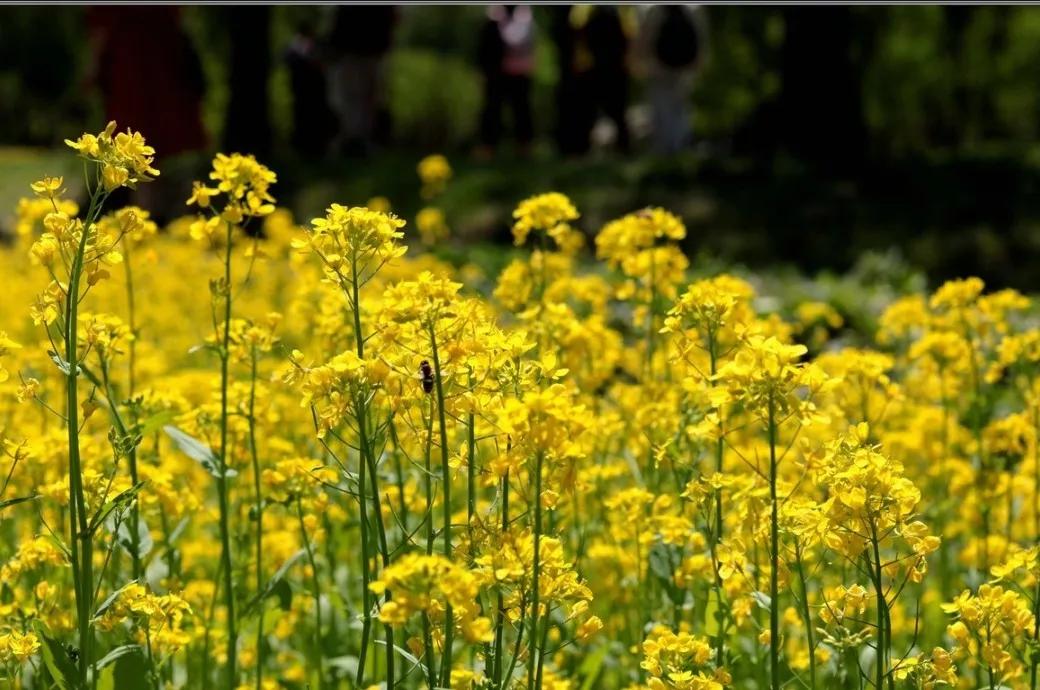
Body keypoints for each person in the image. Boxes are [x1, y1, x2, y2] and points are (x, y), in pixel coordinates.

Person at [85, 6, 207, 217]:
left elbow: (100, 28)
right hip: (147, 61)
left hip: (144, 62)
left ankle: (160, 214)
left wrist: (94, 67)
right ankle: (151, 215)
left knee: (152, 135)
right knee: (147, 135)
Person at [636, 4, 708, 155]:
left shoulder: (656, 11)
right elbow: (701, 38)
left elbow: (646, 36)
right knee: (680, 110)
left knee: (662, 110)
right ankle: (680, 147)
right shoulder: (692, 10)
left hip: (660, 68)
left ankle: (667, 149)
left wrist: (643, 61)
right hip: (684, 68)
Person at [327, 6, 396, 156]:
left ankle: (358, 141)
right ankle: (352, 140)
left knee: (365, 99)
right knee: (355, 99)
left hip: (369, 52)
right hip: (354, 52)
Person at [478, 5, 536, 156]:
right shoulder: (493, 18)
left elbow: (531, 46)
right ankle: (488, 146)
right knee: (492, 111)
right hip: (497, 72)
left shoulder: (526, 17)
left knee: (522, 111)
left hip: (521, 72)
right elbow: (485, 47)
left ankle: (524, 146)